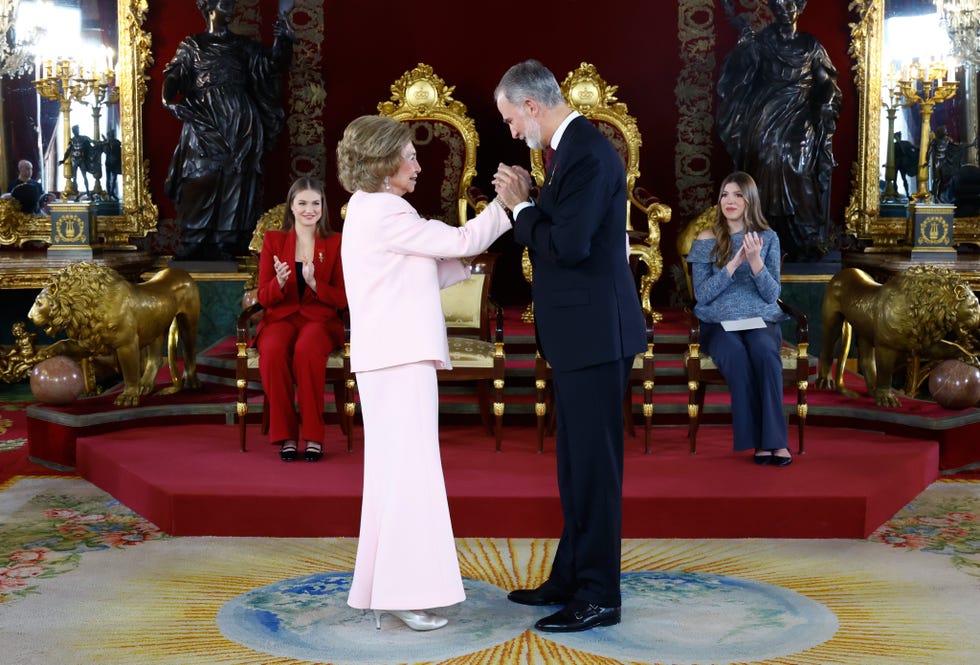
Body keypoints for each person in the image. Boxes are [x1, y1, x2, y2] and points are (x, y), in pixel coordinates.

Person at [336, 114, 512, 632]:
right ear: (386, 162)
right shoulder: (388, 210)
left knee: (395, 477)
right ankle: (403, 594)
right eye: (409, 156)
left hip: (388, 358)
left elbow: (413, 269)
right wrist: (504, 207)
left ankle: (388, 589)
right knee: (409, 477)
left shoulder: (365, 209)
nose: (417, 164)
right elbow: (457, 240)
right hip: (398, 359)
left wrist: (465, 265)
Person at [491, 59, 647, 633]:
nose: (510, 129)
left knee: (595, 472)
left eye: (510, 118)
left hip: (596, 335)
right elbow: (565, 225)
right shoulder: (570, 149)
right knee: (574, 467)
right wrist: (531, 197)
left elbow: (570, 245)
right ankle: (570, 577)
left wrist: (521, 208)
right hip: (581, 335)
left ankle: (600, 595)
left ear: (532, 106)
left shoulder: (585, 151)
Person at [163, 0, 295, 261]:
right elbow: (174, 76)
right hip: (204, 118)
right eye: (226, 3)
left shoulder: (242, 45)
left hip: (240, 121)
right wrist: (168, 102)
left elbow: (274, 65)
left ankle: (228, 239)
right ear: (209, 7)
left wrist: (284, 39)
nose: (232, 8)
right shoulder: (193, 45)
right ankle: (194, 238)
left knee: (237, 178)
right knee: (200, 175)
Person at [717, 0, 842, 262]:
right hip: (766, 111)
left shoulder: (810, 45)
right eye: (779, 6)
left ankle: (805, 234)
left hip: (801, 112)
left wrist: (826, 101)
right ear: (773, 10)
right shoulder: (762, 42)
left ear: (799, 8)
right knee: (766, 155)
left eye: (790, 5)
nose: (785, 11)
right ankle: (761, 231)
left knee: (796, 163)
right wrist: (745, 46)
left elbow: (826, 81)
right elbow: (740, 75)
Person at [686, 171, 792, 466]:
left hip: (760, 320)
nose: (729, 201)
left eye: (737, 195)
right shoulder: (706, 239)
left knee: (765, 355)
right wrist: (733, 264)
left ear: (749, 200)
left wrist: (756, 261)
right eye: (724, 194)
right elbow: (703, 295)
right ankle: (760, 442)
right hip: (718, 324)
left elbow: (772, 295)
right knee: (736, 356)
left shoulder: (768, 238)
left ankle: (776, 442)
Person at [255, 177, 346, 463]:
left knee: (307, 351)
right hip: (280, 317)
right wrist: (279, 283)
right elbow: (264, 296)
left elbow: (343, 298)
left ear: (323, 207)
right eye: (303, 203)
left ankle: (314, 436)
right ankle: (287, 436)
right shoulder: (274, 240)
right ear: (291, 207)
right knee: (271, 352)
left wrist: (315, 283)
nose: (310, 209)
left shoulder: (335, 242)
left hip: (319, 320)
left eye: (315, 203)